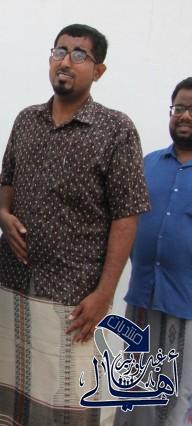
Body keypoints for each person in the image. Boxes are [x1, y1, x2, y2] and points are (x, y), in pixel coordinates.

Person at [0, 24, 150, 425]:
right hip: (18, 286)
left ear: (99, 70)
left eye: (79, 54)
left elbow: (126, 216)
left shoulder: (116, 129)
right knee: (12, 403)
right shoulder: (26, 120)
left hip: (76, 299)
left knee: (69, 405)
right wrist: (3, 215)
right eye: (60, 51)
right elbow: (7, 183)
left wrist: (104, 295)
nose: (66, 61)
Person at [113, 77, 192, 426]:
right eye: (179, 108)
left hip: (186, 306)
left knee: (174, 401)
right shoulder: (147, 165)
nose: (185, 116)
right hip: (142, 300)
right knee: (134, 393)